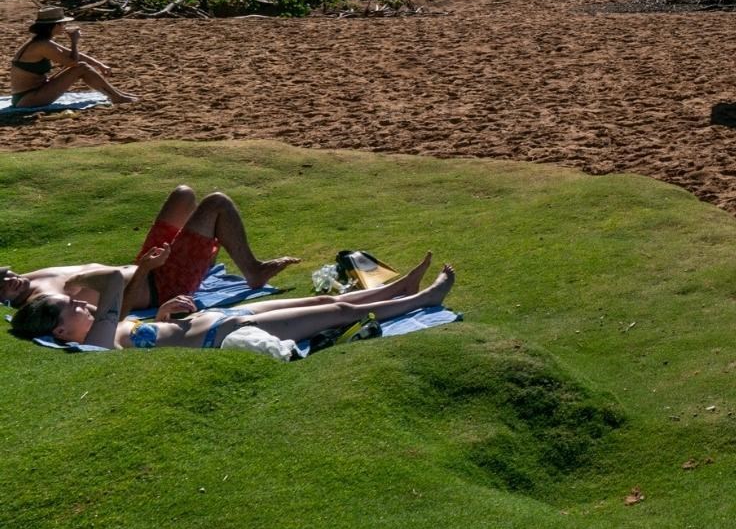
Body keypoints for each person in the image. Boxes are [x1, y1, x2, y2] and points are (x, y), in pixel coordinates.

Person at [13, 256, 453, 354]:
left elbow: (150, 331)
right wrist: (75, 280)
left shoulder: (108, 331)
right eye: (70, 305)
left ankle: (394, 289)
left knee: (324, 298)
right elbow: (110, 278)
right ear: (59, 331)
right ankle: (423, 298)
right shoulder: (101, 342)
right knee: (342, 314)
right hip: (223, 332)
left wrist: (165, 313)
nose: (78, 302)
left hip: (211, 319)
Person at [3, 183, 297, 319]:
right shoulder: (45, 301)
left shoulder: (24, 280)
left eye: (4, 273)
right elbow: (114, 317)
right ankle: (253, 272)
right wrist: (145, 270)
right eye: (2, 285)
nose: (9, 279)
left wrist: (144, 264)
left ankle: (200, 252)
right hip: (162, 283)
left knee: (184, 195)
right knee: (216, 203)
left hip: (149, 263)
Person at [9, 10, 138, 107]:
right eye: (62, 23)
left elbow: (72, 54)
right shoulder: (42, 45)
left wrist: (100, 65)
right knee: (81, 68)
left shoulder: (43, 41)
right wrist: (74, 41)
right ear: (54, 26)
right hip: (28, 98)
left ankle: (117, 95)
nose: (64, 26)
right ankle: (117, 97)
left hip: (37, 90)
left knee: (83, 67)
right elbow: (73, 63)